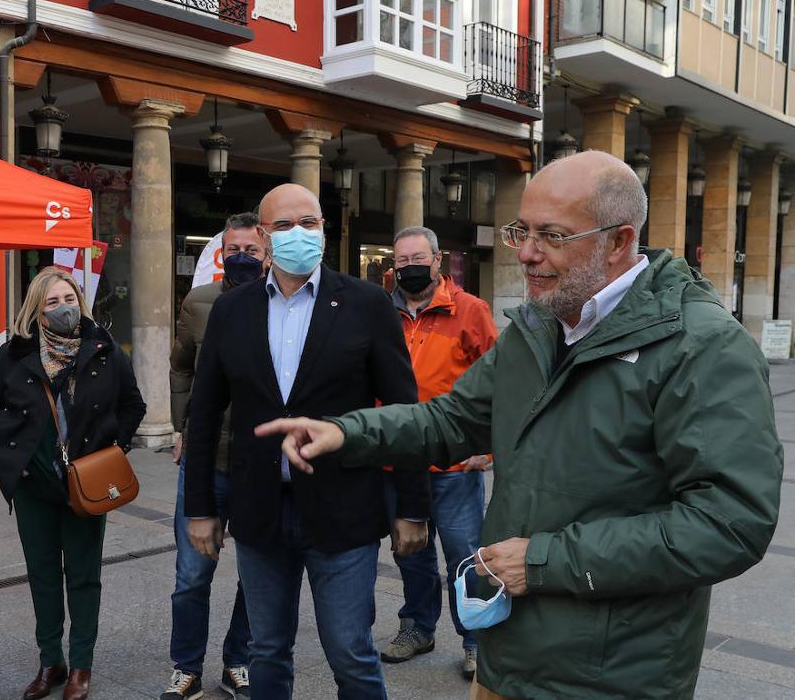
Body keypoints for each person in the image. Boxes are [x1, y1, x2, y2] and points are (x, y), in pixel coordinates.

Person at [259, 151, 784, 700]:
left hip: (613, 674)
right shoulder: (537, 325)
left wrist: (540, 563)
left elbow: (729, 523)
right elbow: (452, 420)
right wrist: (348, 433)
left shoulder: (702, 347)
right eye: (521, 231)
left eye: (552, 236)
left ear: (619, 241)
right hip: (506, 654)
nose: (527, 254)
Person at [184, 183, 431, 700]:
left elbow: (405, 412)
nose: (299, 234)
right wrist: (200, 507)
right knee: (267, 650)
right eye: (284, 225)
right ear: (265, 239)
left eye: (310, 222)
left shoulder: (365, 303)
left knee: (350, 650)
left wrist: (413, 507)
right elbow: (204, 414)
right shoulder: (232, 311)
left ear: (324, 228)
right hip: (260, 510)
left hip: (344, 509)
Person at [0, 267, 146, 700]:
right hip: (34, 486)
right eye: (51, 302)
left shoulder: (103, 349)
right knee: (43, 576)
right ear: (36, 309)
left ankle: (80, 667)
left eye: (68, 298)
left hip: (85, 486)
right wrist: (14, 456)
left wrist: (113, 451)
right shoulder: (14, 354)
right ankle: (51, 661)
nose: (62, 307)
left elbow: (133, 405)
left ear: (80, 302)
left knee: (84, 576)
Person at [380, 226, 497, 680]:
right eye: (401, 260)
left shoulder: (471, 311)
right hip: (399, 458)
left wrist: (488, 448)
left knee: (465, 554)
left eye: (417, 258)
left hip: (453, 463)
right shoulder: (380, 311)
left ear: (437, 261)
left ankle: (476, 641)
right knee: (410, 551)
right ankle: (417, 627)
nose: (409, 267)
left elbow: (499, 383)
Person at [162, 212, 265, 700]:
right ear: (220, 253)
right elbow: (180, 366)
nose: (241, 258)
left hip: (259, 466)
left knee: (256, 574)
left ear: (267, 256)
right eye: (233, 250)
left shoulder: (281, 305)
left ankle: (238, 661)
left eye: (252, 250)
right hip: (206, 462)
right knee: (191, 575)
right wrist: (183, 425)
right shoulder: (200, 303)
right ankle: (185, 668)